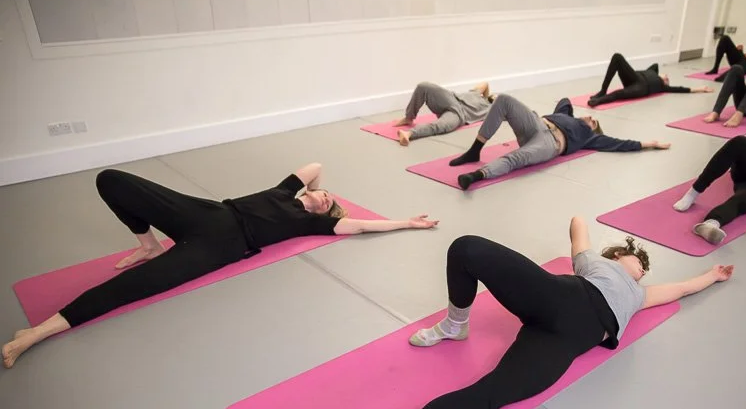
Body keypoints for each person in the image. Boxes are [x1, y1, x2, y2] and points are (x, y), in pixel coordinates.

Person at [356, 221, 734, 409]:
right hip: (556, 296)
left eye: (644, 269)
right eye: (637, 261)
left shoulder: (640, 294)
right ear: (618, 257)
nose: (642, 269)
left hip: (561, 343)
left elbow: (682, 288)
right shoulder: (595, 265)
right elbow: (578, 229)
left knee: (492, 393)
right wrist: (590, 229)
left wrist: (712, 275)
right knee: (466, 248)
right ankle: (457, 324)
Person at [2, 164, 439, 368]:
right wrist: (317, 188)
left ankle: (39, 331)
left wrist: (407, 223)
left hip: (221, 249)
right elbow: (316, 166)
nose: (328, 199)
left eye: (331, 205)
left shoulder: (313, 223)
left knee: (135, 287)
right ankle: (148, 243)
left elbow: (361, 228)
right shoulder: (286, 189)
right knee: (111, 180)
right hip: (206, 213)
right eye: (327, 195)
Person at [447, 95, 671, 190]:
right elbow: (565, 100)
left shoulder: (590, 136)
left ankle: (476, 176)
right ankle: (474, 151)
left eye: (594, 122)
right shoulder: (566, 114)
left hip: (551, 143)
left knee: (518, 158)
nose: (591, 118)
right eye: (591, 117)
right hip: (536, 123)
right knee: (504, 100)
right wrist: (572, 115)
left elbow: (621, 143)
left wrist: (649, 143)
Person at [588, 53, 713, 107]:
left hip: (642, 88)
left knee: (619, 94)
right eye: (667, 77)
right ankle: (602, 91)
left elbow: (680, 89)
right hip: (634, 77)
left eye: (667, 80)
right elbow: (656, 65)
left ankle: (598, 101)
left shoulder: (662, 87)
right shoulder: (652, 71)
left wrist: (699, 89)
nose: (667, 78)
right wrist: (661, 74)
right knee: (617, 57)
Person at [394, 82, 495, 146]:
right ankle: (409, 117)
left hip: (459, 115)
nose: (496, 97)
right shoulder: (477, 93)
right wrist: (486, 95)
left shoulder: (491, 110)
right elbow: (485, 84)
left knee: (439, 126)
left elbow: (506, 112)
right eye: (495, 96)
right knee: (423, 86)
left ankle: (408, 134)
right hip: (451, 98)